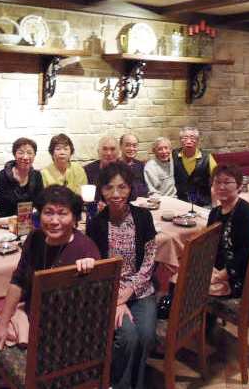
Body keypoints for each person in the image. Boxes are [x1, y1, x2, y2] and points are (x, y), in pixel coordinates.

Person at [0, 185, 99, 351]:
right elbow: (18, 281)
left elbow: (94, 305)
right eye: (48, 212)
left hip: (65, 329)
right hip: (31, 314)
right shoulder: (35, 238)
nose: (54, 221)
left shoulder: (85, 248)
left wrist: (91, 267)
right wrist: (3, 324)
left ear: (74, 218)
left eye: (62, 213)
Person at [86, 162, 157, 389]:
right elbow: (98, 269)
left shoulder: (143, 217)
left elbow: (150, 259)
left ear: (130, 188)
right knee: (128, 337)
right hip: (110, 293)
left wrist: (130, 290)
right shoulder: (96, 224)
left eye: (122, 187)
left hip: (141, 290)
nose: (116, 194)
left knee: (146, 335)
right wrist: (117, 298)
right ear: (101, 190)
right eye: (109, 188)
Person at [207, 164, 249, 298]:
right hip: (217, 270)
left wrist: (221, 275)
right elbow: (208, 246)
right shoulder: (215, 213)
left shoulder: (245, 212)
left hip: (239, 278)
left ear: (239, 186)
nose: (221, 187)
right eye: (217, 182)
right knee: (179, 278)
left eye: (227, 182)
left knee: (189, 287)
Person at [0, 138, 44, 217]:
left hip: (29, 220)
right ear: (14, 154)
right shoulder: (1, 177)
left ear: (34, 155)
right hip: (5, 221)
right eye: (21, 153)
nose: (25, 157)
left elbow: (40, 202)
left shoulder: (37, 176)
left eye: (29, 153)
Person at [172, 126, 216, 206]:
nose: (189, 141)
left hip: (203, 203)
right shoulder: (173, 155)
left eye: (192, 138)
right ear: (180, 140)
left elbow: (217, 180)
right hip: (179, 201)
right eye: (185, 138)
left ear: (198, 140)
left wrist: (215, 206)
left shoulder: (207, 157)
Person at [84, 135, 119, 201]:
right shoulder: (87, 171)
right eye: (105, 149)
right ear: (98, 151)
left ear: (118, 152)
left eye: (112, 149)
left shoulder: (125, 171)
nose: (108, 153)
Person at [119, 133, 148, 198]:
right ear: (120, 146)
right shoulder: (114, 166)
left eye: (134, 146)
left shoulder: (140, 165)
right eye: (127, 145)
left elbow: (145, 188)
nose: (131, 149)